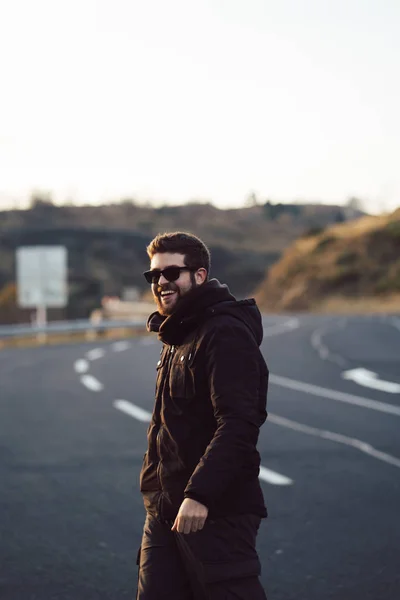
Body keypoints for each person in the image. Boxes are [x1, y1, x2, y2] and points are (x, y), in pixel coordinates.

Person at [136, 232, 269, 600]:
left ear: (199, 275)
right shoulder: (178, 334)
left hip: (213, 511)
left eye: (172, 272)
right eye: (154, 276)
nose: (161, 282)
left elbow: (239, 421)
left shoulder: (224, 332)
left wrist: (200, 495)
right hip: (165, 511)